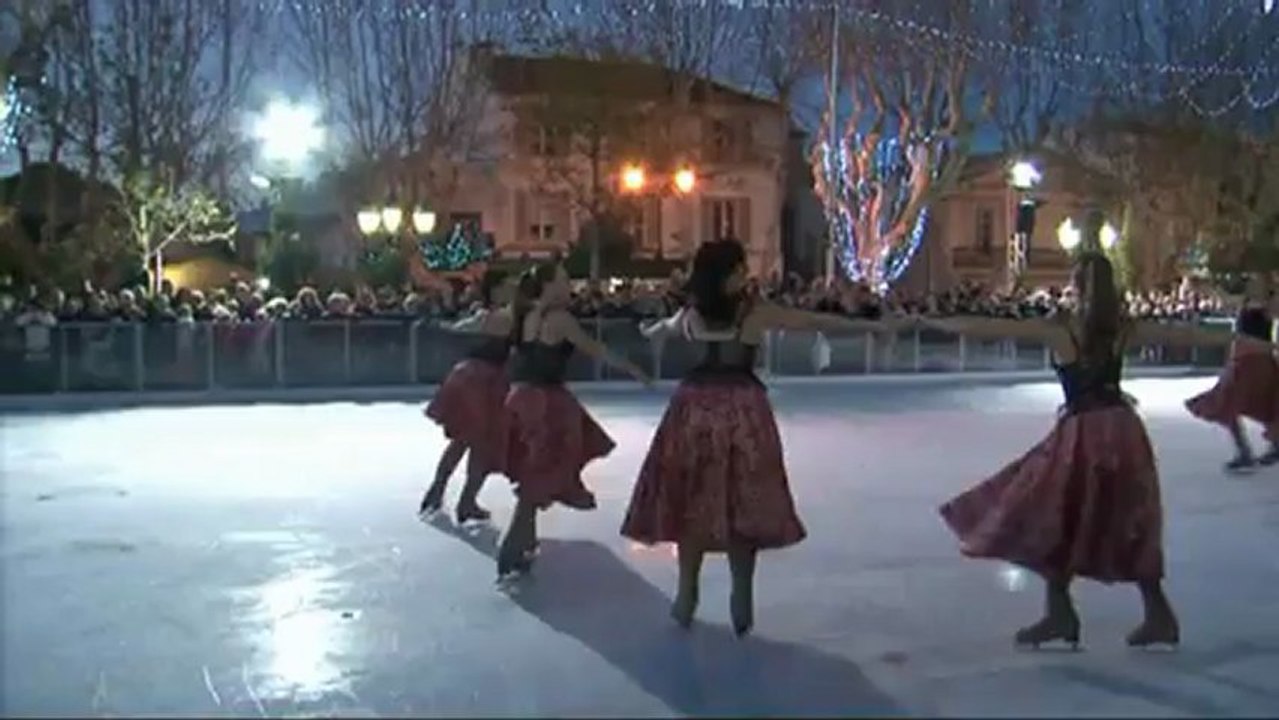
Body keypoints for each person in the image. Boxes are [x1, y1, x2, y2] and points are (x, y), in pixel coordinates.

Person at [921, 251, 1244, 650]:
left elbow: (988, 326)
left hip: (1083, 435)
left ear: (1076, 284)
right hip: (1124, 431)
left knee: (1054, 515)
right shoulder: (1123, 329)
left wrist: (927, 321)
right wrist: (1243, 340)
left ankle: (1063, 613)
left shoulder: (1064, 331)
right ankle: (1152, 613)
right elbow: (1188, 336)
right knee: (1128, 519)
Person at [620, 238, 912, 636]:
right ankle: (740, 594)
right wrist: (870, 325)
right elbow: (813, 322)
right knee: (742, 504)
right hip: (742, 414)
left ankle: (687, 593)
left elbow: (663, 329)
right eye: (740, 269)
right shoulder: (753, 313)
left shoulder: (692, 315)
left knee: (692, 501)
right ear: (726, 275)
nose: (747, 275)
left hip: (691, 413)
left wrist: (649, 329)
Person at [497, 260, 653, 580]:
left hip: (518, 398)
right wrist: (633, 368)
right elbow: (595, 349)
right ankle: (511, 549)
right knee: (536, 481)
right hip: (547, 404)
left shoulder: (523, 312)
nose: (569, 287)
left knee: (533, 477)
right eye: (564, 281)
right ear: (549, 285)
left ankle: (521, 545)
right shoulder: (559, 319)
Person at [419, 270, 518, 524]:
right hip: (484, 382)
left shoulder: (485, 315)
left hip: (469, 377)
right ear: (496, 290)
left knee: (464, 441)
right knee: (478, 445)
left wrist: (441, 323)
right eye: (508, 285)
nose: (513, 289)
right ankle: (464, 500)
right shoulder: (504, 316)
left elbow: (458, 328)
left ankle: (439, 491)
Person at [1184, 274, 1279, 470]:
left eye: (1256, 282)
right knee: (1226, 403)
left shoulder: (1270, 304)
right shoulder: (1243, 301)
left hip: (1259, 361)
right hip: (1242, 361)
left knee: (1264, 405)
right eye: (1251, 282)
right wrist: (1201, 286)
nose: (1252, 285)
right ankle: (1248, 450)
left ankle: (1262, 448)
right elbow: (1221, 296)